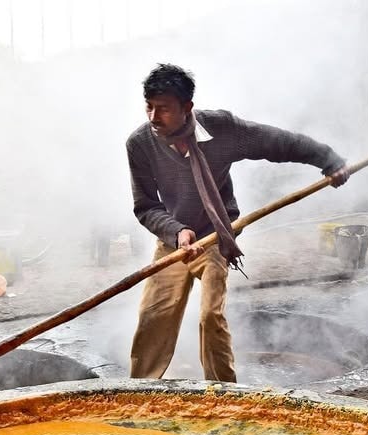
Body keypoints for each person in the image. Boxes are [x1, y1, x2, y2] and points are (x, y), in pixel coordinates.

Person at [126, 63, 350, 383]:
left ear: (187, 107)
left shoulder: (223, 129)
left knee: (210, 317)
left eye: (163, 109)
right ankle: (140, 391)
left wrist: (328, 160)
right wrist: (176, 232)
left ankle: (222, 393)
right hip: (173, 241)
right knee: (153, 317)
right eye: (149, 107)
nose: (153, 117)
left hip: (216, 236)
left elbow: (277, 142)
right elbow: (146, 206)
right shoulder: (140, 143)